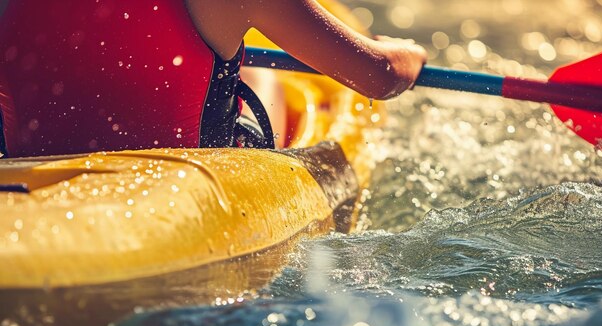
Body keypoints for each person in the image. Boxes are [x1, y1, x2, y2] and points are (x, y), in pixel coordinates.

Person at [0, 0, 426, 158]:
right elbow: (379, 75)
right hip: (187, 181)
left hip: (28, 178)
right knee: (260, 80)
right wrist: (412, 54)